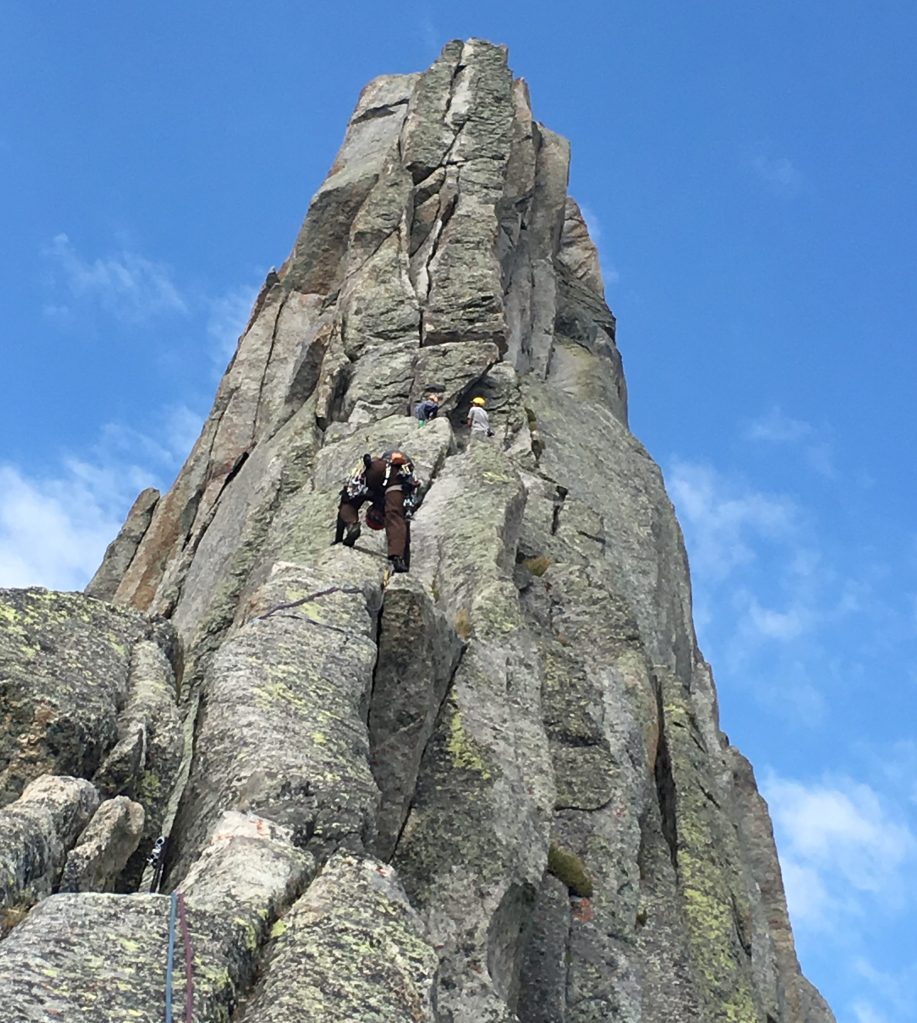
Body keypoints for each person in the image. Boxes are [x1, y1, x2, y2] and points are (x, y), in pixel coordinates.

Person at [333, 450, 419, 573]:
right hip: (400, 475)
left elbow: (345, 502)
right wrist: (403, 561)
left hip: (381, 469)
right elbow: (403, 532)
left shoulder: (375, 493)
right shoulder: (393, 503)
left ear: (370, 510)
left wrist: (339, 539)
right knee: (395, 517)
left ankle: (352, 525)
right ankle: (396, 558)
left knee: (350, 499)